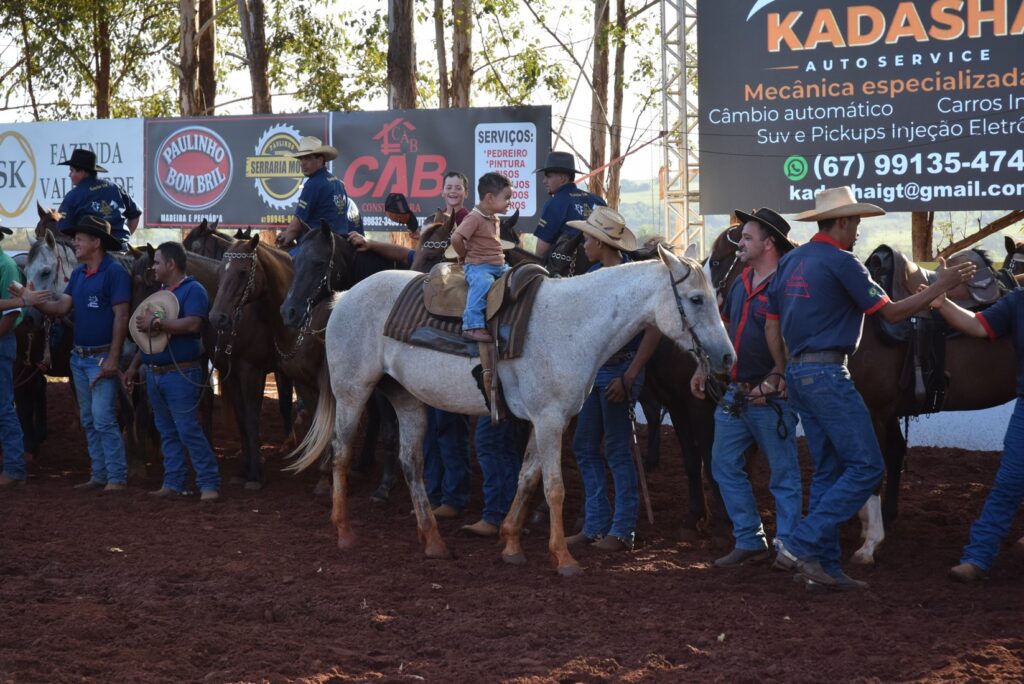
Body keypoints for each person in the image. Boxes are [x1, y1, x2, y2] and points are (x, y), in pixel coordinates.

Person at [765, 186, 974, 590]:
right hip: (829, 375)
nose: (859, 231)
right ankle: (800, 545)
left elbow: (771, 323)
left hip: (797, 375)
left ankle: (822, 565)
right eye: (856, 222)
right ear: (841, 221)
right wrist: (939, 286)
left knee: (828, 470)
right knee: (867, 466)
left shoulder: (790, 262)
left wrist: (781, 369)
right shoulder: (844, 263)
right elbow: (892, 313)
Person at [691, 208, 802, 567]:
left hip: (769, 395)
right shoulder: (741, 283)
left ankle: (786, 544)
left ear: (769, 244)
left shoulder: (788, 285)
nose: (740, 243)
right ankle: (751, 539)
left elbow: (794, 339)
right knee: (723, 465)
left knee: (782, 474)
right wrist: (703, 366)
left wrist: (777, 377)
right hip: (738, 391)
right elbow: (724, 330)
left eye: (748, 237)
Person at [562, 207, 661, 552]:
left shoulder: (630, 279)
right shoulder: (593, 272)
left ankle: (621, 531)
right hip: (596, 371)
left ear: (603, 243)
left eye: (589, 237)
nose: (585, 242)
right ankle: (596, 525)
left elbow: (654, 327)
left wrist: (630, 374)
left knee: (617, 448)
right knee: (585, 446)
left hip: (620, 369)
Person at [21, 216, 131, 492]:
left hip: (100, 356)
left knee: (102, 417)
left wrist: (114, 357)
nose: (74, 243)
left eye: (79, 239)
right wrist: (33, 301)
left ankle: (116, 477)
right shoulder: (80, 274)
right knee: (89, 419)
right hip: (80, 357)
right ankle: (100, 474)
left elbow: (121, 316)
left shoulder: (114, 272)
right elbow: (61, 309)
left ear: (96, 243)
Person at [928, 279, 1024, 583]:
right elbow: (979, 325)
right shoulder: (1018, 301)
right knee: (1008, 481)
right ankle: (977, 557)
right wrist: (942, 302)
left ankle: (978, 556)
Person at [122, 242, 221, 502]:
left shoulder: (194, 290)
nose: (153, 267)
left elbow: (194, 324)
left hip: (179, 373)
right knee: (167, 430)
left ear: (171, 264)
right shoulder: (165, 293)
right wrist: (134, 366)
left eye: (156, 262)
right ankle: (175, 481)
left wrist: (157, 323)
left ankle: (208, 482)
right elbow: (147, 338)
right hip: (157, 371)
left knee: (187, 428)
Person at [451, 172, 512, 343]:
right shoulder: (474, 217)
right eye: (507, 198)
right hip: (479, 266)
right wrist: (464, 256)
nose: (510, 202)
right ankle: (472, 324)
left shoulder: (492, 217)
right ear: (490, 198)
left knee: (517, 276)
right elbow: (456, 238)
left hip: (498, 265)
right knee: (482, 283)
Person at [276, 136, 361, 248]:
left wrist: (285, 237)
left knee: (283, 263)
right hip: (340, 247)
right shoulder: (338, 183)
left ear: (320, 160)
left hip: (316, 248)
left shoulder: (312, 184)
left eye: (307, 158)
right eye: (301, 159)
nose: (302, 163)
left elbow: (297, 225)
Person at [57, 148, 140, 252]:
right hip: (122, 251)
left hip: (92, 254)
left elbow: (63, 231)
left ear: (82, 172)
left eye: (71, 170)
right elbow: (135, 215)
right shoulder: (115, 187)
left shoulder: (72, 196)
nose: (69, 175)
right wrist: (122, 239)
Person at [533, 151, 607, 260]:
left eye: (548, 177)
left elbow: (541, 251)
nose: (544, 181)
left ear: (563, 179)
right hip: (601, 268)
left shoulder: (554, 204)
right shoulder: (598, 200)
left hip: (568, 273)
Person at [0, 225, 27, 488]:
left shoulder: (6, 265)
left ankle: (15, 467)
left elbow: (10, 316)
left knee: (3, 407)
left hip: (1, 343)